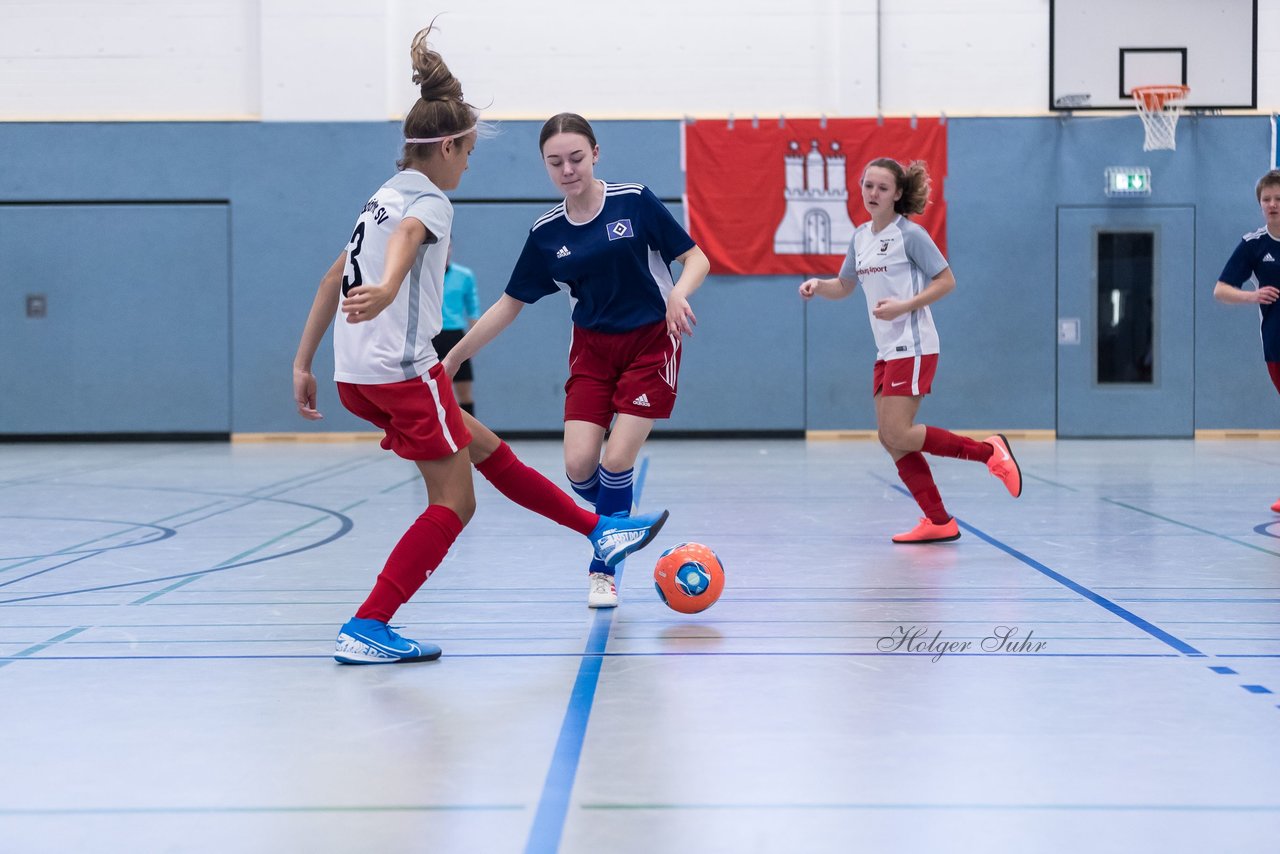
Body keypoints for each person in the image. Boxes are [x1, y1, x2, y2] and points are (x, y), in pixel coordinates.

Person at [292, 30, 668, 665]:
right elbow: (413, 235)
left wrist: (304, 362)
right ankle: (368, 623)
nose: (466, 166)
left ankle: (603, 531)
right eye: (465, 154)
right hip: (402, 374)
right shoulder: (428, 202)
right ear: (445, 147)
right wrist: (388, 287)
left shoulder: (377, 198)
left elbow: (332, 276)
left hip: (355, 375)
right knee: (455, 502)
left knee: (485, 445)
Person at [441, 112, 710, 608]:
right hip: (591, 349)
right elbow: (508, 305)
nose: (568, 169)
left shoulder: (635, 201)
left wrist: (680, 295)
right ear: (546, 166)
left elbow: (696, 258)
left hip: (653, 341)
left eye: (577, 158)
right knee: (580, 466)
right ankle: (616, 517)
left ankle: (602, 569)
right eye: (556, 162)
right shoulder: (547, 233)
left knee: (615, 459)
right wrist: (454, 357)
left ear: (596, 154)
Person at [798, 157, 1022, 543]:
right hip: (886, 350)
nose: (873, 193)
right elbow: (846, 286)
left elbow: (946, 281)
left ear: (898, 193)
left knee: (897, 431)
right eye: (868, 185)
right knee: (890, 438)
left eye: (882, 188)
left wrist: (904, 306)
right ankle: (938, 520)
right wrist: (820, 285)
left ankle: (988, 452)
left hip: (914, 345)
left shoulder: (910, 235)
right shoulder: (860, 238)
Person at [1214, 168, 1280, 512]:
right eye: (1267, 199)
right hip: (1276, 346)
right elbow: (1220, 290)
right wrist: (1252, 297)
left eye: (1278, 198)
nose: (1272, 204)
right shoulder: (1253, 245)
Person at [432, 245, 480, 414]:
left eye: (449, 247)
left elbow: (473, 308)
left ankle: (470, 438)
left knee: (464, 390)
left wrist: (474, 342)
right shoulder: (424, 274)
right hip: (430, 336)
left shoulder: (464, 275)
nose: (445, 251)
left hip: (455, 336)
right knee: (427, 389)